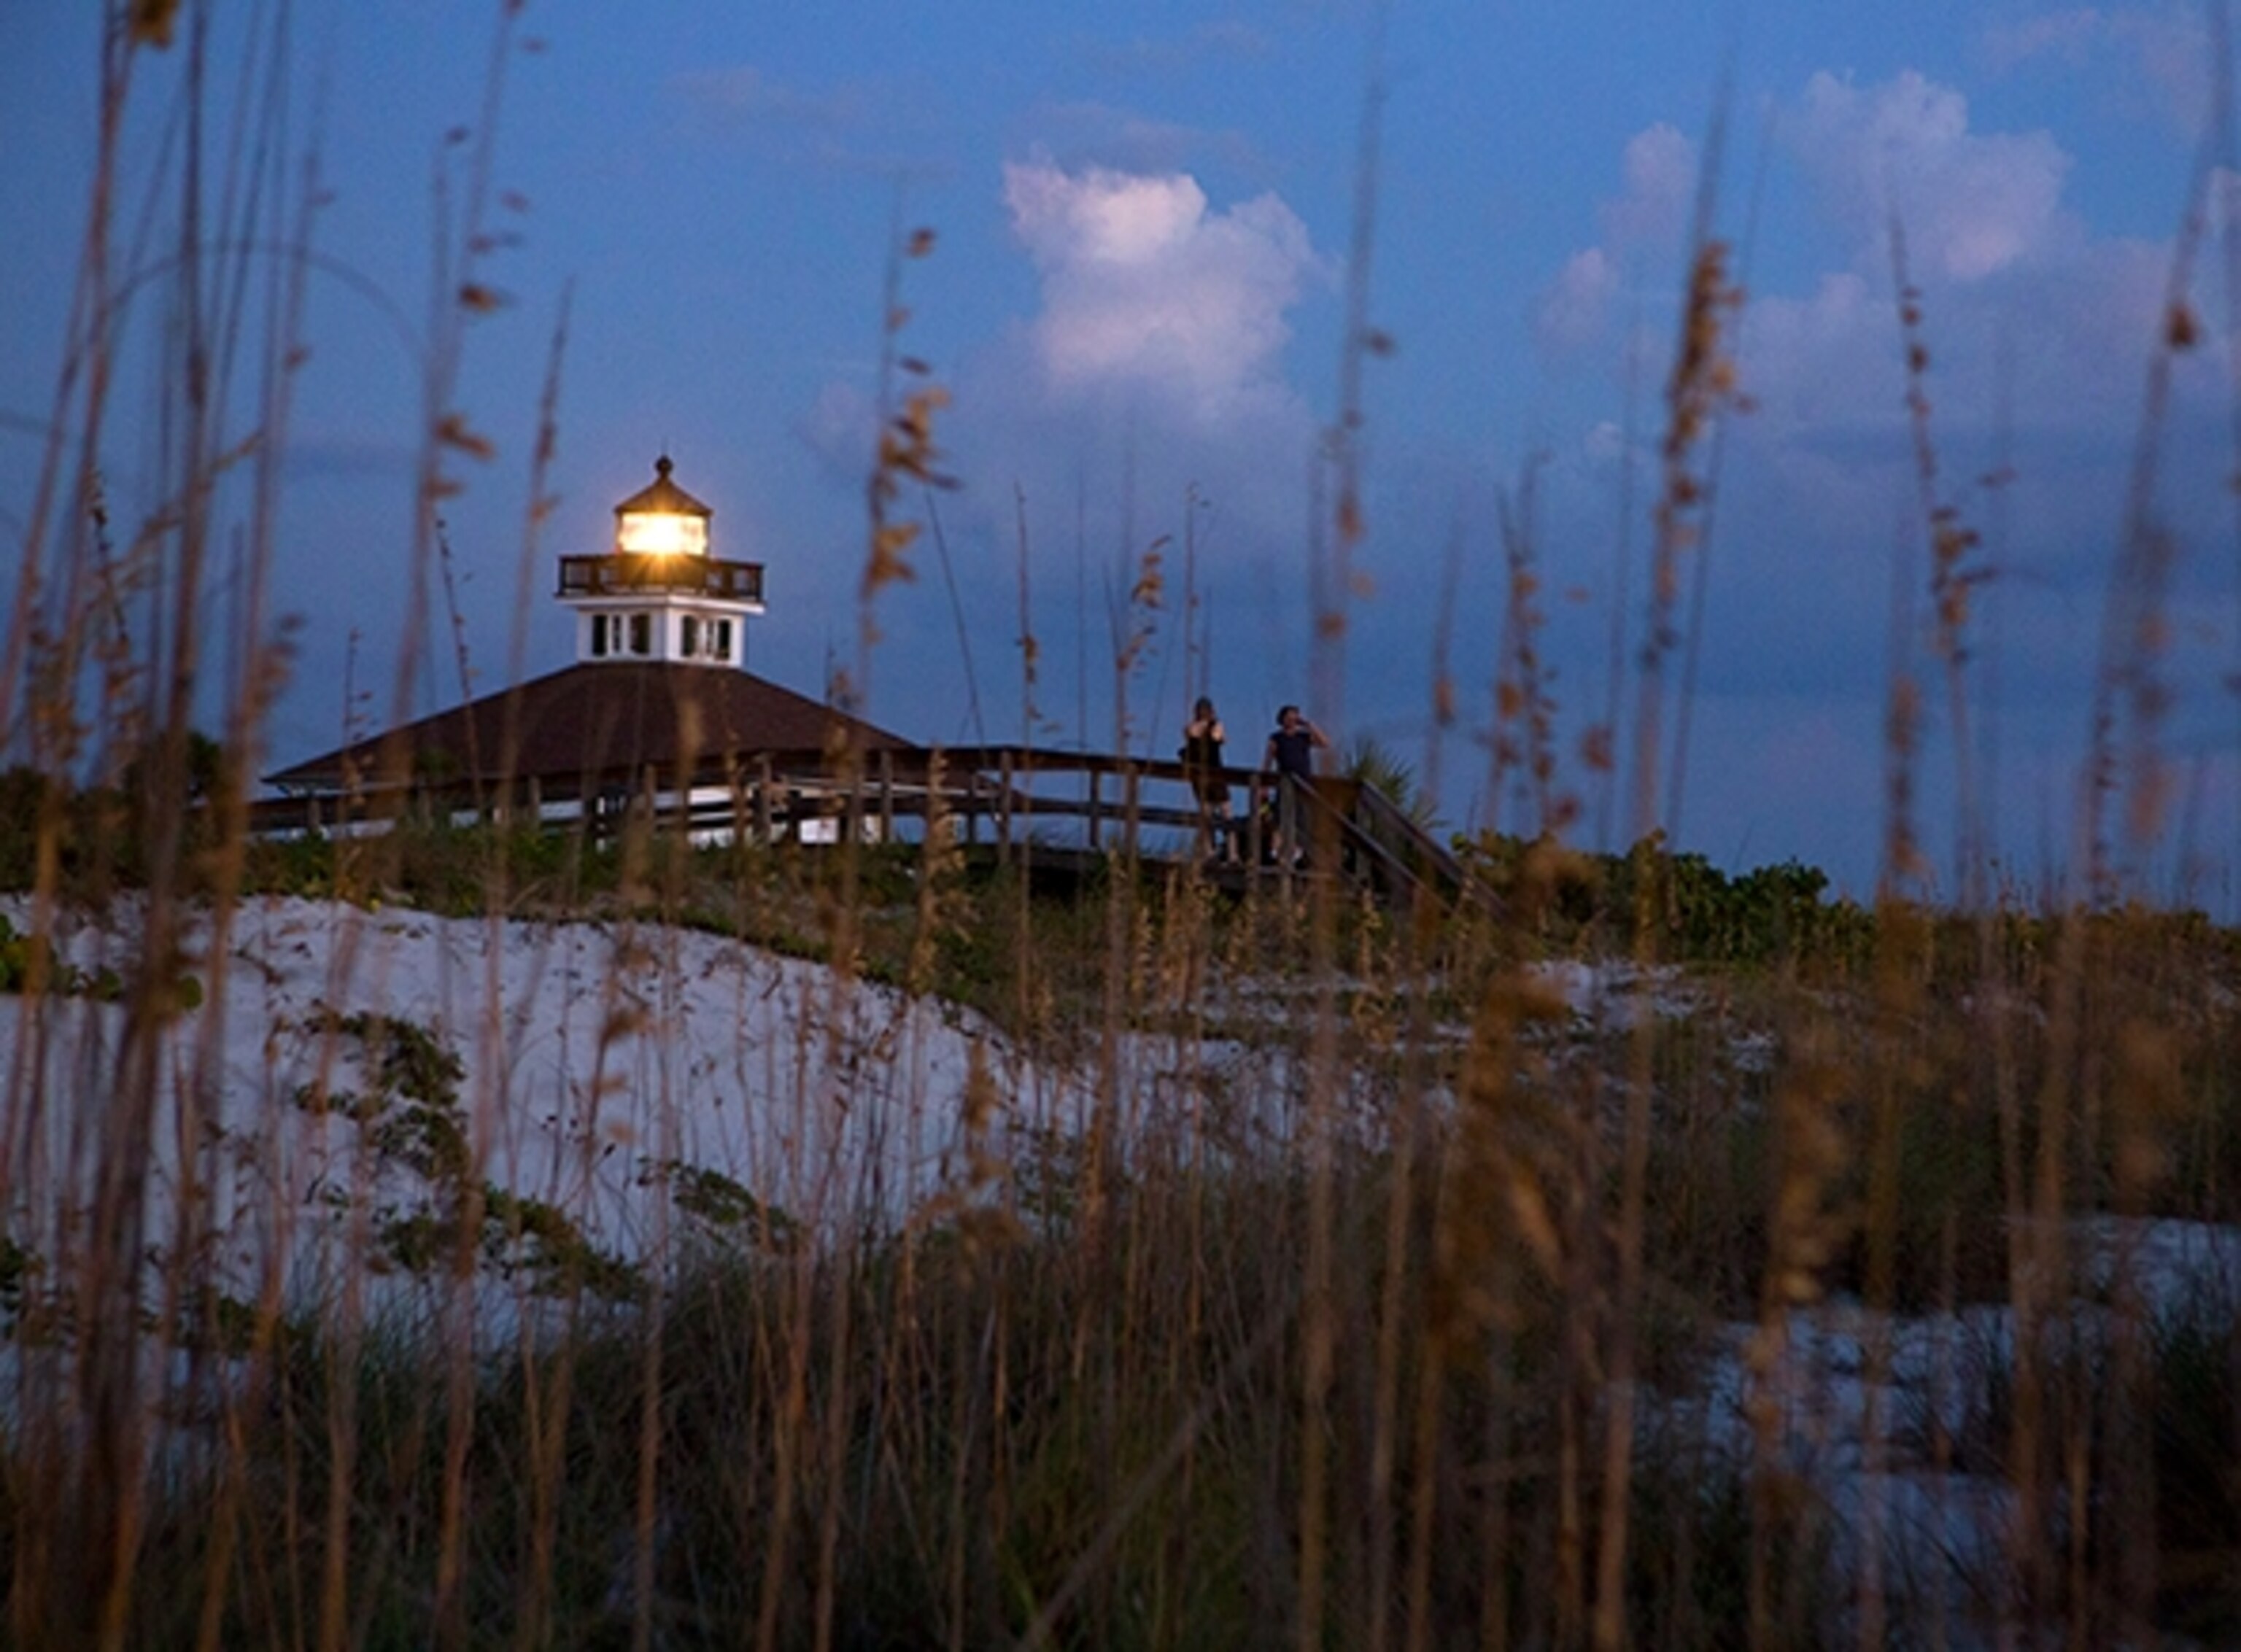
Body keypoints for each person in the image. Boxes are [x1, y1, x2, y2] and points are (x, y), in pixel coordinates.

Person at [1262, 704, 1328, 867]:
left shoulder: (1303, 737)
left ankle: (1295, 853)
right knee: (1280, 817)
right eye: (1289, 717)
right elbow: (1268, 761)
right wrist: (1264, 784)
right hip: (1284, 782)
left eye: (1295, 717)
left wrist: (1308, 725)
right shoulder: (1276, 738)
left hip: (1303, 783)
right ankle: (1276, 851)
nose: (1292, 720)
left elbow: (1324, 743)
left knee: (1301, 819)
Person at [1181, 697, 1234, 864]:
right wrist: (1203, 725)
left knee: (1227, 812)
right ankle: (1208, 851)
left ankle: (1233, 853)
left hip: (1216, 772)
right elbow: (1191, 734)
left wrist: (1211, 726)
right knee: (1206, 813)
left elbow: (1219, 738)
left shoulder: (1217, 725)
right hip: (1200, 775)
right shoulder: (1192, 727)